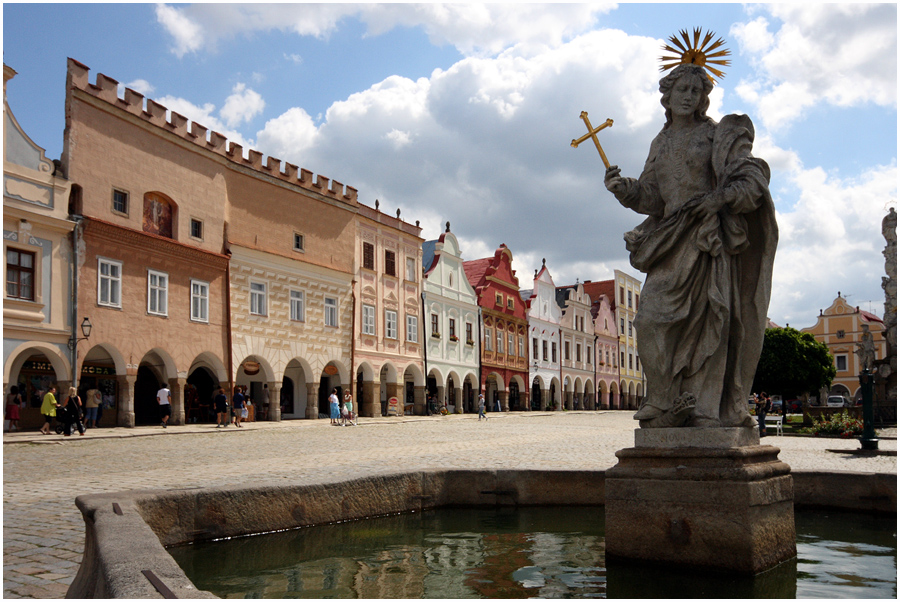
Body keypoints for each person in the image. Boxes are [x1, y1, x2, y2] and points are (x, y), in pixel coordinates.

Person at [604, 63, 776, 429]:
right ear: (666, 95)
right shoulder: (660, 142)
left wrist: (719, 199)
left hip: (706, 239)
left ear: (703, 99)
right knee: (649, 320)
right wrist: (628, 191)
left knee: (711, 320)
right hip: (670, 238)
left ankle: (702, 407)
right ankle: (663, 400)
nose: (687, 96)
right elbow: (654, 197)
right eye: (681, 89)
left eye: (695, 91)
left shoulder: (716, 136)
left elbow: (753, 179)